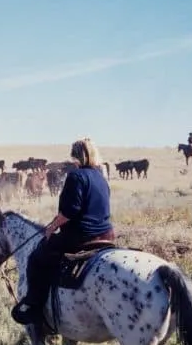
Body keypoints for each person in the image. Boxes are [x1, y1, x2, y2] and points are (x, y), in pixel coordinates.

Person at [11, 137, 115, 328]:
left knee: (37, 257)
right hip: (106, 234)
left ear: (76, 155)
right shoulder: (101, 176)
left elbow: (70, 211)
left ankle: (33, 305)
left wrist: (51, 227)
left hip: (81, 235)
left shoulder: (76, 176)